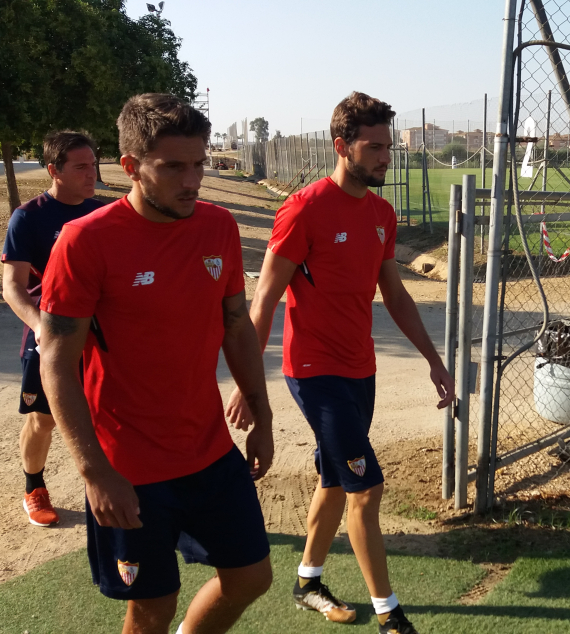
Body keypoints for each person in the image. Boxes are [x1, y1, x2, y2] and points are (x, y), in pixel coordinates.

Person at [39, 93, 275, 634]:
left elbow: (236, 325)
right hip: (130, 467)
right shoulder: (85, 241)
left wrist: (261, 416)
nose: (192, 180)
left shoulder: (217, 227)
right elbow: (56, 363)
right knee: (151, 608)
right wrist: (95, 472)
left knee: (251, 576)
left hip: (210, 450)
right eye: (173, 167)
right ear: (130, 167)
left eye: (199, 164)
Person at [227, 92, 454, 634]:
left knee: (335, 480)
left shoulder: (381, 214)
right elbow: (265, 301)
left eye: (388, 147)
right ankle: (389, 613)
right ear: (342, 146)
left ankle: (307, 580)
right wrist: (246, 380)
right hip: (314, 373)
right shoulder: (303, 209)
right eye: (373, 147)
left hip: (362, 371)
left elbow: (395, 295)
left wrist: (433, 358)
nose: (385, 158)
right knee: (366, 487)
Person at [1, 130, 102, 527]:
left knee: (107, 413)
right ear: (53, 170)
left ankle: (110, 484)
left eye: (93, 165)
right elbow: (12, 286)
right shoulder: (29, 217)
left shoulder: (103, 214)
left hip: (99, 335)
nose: (90, 173)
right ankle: (34, 486)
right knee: (44, 417)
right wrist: (40, 325)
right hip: (50, 334)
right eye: (80, 167)